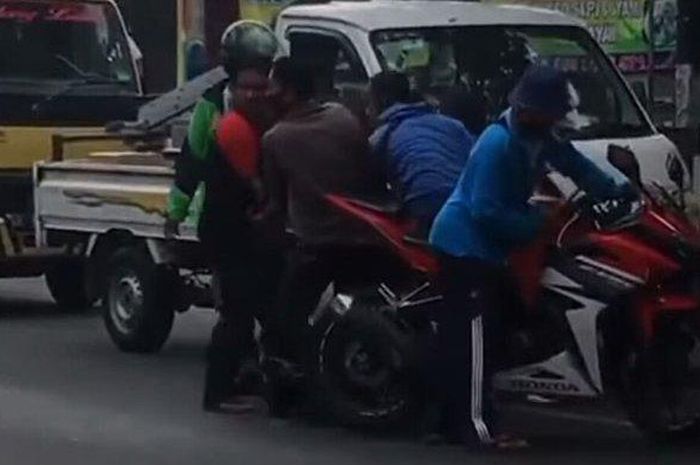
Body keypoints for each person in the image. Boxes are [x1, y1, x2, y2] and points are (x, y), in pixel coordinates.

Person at [428, 65, 633, 449]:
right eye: (552, 111)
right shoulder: (498, 144)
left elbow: (578, 166)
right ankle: (476, 429)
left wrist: (620, 189)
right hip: (465, 247)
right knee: (474, 342)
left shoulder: (539, 137)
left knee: (500, 329)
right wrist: (538, 222)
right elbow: (485, 212)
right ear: (532, 109)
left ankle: (450, 419)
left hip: (493, 249)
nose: (557, 118)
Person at [164, 20, 280, 412]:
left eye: (264, 70)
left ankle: (256, 375)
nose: (258, 82)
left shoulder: (275, 103)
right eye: (251, 71)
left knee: (266, 304)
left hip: (265, 222)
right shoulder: (211, 107)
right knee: (236, 309)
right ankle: (219, 391)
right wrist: (174, 214)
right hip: (226, 222)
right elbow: (191, 164)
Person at [260, 57, 386, 375]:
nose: (265, 93)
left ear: (287, 93)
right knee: (364, 311)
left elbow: (274, 203)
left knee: (285, 320)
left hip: (316, 243)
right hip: (364, 236)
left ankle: (289, 380)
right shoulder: (344, 117)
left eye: (271, 86)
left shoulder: (276, 138)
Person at [369, 71, 475, 231]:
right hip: (467, 207)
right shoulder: (453, 125)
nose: (367, 110)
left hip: (424, 212)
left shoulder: (383, 135)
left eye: (369, 102)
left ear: (381, 101)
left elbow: (367, 182)